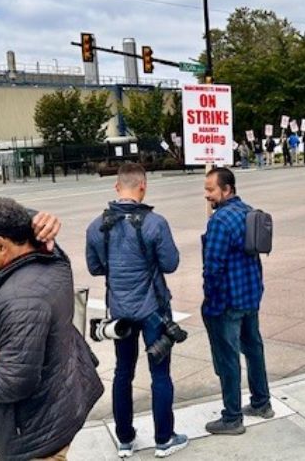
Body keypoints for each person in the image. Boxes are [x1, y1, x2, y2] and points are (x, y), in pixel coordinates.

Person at [0, 198, 103, 461]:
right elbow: (16, 221)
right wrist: (35, 220)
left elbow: (13, 381)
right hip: (59, 405)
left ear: (0, 245)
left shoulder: (21, 300)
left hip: (36, 432)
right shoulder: (53, 261)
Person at [85, 163, 189, 458]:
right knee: (160, 375)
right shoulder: (155, 223)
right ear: (143, 187)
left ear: (117, 187)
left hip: (119, 312)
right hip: (154, 310)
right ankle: (164, 439)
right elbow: (170, 264)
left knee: (122, 372)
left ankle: (125, 439)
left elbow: (95, 267)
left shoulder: (96, 227)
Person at [201, 167, 272, 435]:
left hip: (227, 300)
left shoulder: (220, 221)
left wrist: (210, 300)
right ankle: (261, 403)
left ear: (226, 189)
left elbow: (213, 267)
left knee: (228, 357)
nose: (206, 195)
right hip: (250, 295)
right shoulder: (248, 211)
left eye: (210, 190)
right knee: (254, 349)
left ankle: (232, 417)